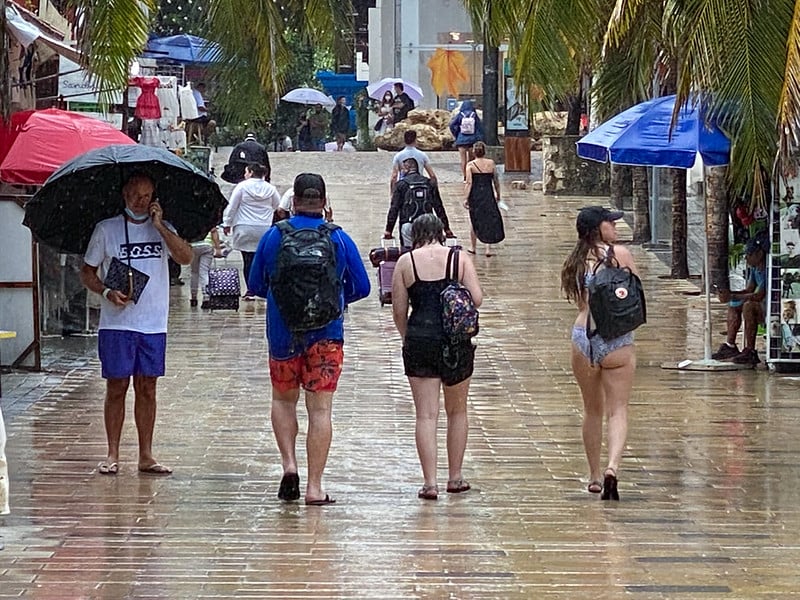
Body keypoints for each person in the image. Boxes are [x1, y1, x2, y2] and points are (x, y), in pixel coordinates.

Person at [248, 173, 370, 505]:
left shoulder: (274, 236)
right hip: (327, 337)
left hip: (283, 332)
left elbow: (256, 285)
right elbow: (363, 287)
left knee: (283, 401)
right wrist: (333, 299)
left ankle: (289, 465)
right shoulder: (338, 239)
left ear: (293, 202)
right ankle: (315, 487)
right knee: (320, 410)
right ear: (325, 203)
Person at [79, 173, 193, 476]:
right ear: (125, 195)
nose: (141, 202)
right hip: (117, 323)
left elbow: (185, 257)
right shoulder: (106, 230)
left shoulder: (164, 229)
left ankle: (146, 454)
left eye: (146, 196)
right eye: (136, 196)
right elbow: (87, 272)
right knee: (116, 386)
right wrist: (105, 291)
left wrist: (160, 227)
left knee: (147, 388)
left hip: (153, 323)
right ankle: (112, 453)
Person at [391, 214, 483, 500]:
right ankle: (454, 477)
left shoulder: (407, 262)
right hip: (455, 341)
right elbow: (477, 298)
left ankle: (429, 482)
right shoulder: (459, 259)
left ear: (414, 235)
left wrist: (408, 336)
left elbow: (398, 310)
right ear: (442, 233)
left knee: (426, 415)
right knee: (458, 412)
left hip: (420, 338)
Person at [560, 206, 639, 500]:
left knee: (591, 410)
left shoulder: (575, 261)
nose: (615, 226)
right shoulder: (621, 256)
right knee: (617, 409)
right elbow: (636, 292)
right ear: (598, 228)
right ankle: (612, 467)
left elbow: (580, 300)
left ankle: (593, 476)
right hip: (617, 339)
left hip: (583, 336)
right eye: (610, 222)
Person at [223, 163, 281, 301]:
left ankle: (250, 290)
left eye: (246, 172)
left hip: (244, 227)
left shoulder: (242, 187)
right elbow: (277, 206)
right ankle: (263, 288)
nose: (244, 174)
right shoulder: (270, 189)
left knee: (247, 259)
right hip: (264, 228)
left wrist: (227, 223)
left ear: (250, 172)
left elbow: (232, 206)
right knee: (263, 259)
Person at [712, 232, 769, 365]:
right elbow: (749, 289)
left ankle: (750, 350)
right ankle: (730, 345)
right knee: (734, 304)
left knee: (748, 306)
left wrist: (733, 295)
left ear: (759, 255)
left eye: (749, 255)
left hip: (768, 307)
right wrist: (730, 294)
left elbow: (759, 295)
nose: (747, 259)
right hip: (760, 303)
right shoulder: (755, 270)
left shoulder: (768, 269)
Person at [384, 158, 453, 246]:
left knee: (409, 252)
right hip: (428, 224)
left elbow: (394, 208)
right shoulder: (429, 183)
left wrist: (389, 230)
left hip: (408, 223)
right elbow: (439, 207)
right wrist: (446, 228)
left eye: (402, 169)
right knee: (428, 250)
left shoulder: (401, 185)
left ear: (406, 169)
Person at [464, 141, 505, 256]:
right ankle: (488, 248)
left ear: (474, 152)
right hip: (488, 193)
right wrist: (498, 194)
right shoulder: (491, 163)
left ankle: (473, 247)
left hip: (475, 195)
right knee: (488, 219)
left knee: (474, 219)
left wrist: (465, 197)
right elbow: (496, 181)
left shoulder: (470, 165)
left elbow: (469, 183)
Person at [189, 226, 225, 309]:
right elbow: (214, 231)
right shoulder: (207, 217)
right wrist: (218, 248)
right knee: (204, 272)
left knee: (194, 272)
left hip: (192, 246)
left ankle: (193, 298)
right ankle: (206, 298)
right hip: (207, 245)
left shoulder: (189, 218)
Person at [449, 100, 484, 181]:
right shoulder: (474, 115)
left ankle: (465, 176)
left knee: (463, 160)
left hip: (461, 140)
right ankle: (471, 175)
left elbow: (451, 125)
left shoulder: (460, 115)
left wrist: (456, 133)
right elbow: (479, 127)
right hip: (472, 140)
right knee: (471, 159)